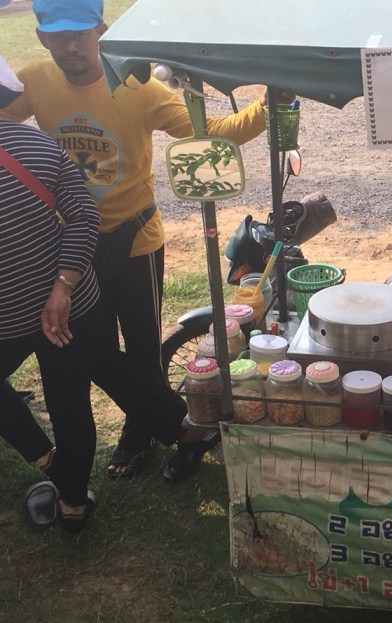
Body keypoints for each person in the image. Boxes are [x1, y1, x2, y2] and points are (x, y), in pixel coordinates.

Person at [1, 0, 273, 478]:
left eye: (80, 34)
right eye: (58, 35)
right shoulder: (35, 82)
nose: (70, 46)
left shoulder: (138, 88)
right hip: (74, 246)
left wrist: (270, 106)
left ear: (102, 31)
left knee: (143, 347)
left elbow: (211, 133)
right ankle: (154, 426)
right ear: (42, 37)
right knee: (97, 349)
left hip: (135, 239)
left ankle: (140, 433)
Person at [0, 55, 99, 532]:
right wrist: (62, 287)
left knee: (68, 406)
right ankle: (73, 504)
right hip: (66, 309)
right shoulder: (38, 143)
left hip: (10, 318)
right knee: (70, 405)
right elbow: (84, 215)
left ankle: (46, 459)